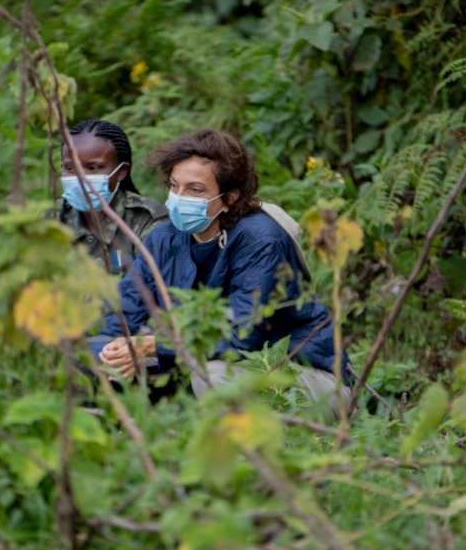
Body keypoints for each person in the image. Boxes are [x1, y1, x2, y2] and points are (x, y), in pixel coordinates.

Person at [89, 129, 351, 410]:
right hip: (212, 363)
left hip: (302, 375)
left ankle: (258, 449)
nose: (178, 197)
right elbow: (121, 312)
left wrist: (151, 345)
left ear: (229, 199)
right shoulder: (165, 238)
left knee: (211, 375)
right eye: (174, 186)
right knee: (84, 357)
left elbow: (239, 335)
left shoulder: (260, 240)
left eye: (195, 190)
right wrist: (111, 350)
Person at [59, 120, 168, 275]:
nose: (81, 179)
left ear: (121, 171)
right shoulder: (49, 219)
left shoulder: (147, 220)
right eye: (70, 168)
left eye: (93, 168)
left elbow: (150, 290)